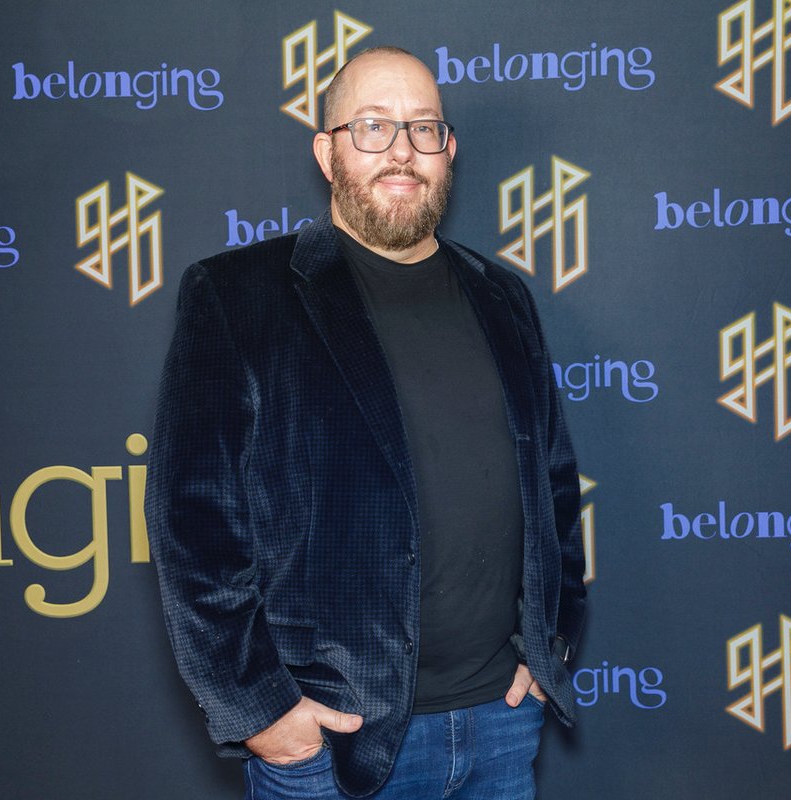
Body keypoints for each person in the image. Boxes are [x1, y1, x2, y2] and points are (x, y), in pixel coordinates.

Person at [146, 45, 585, 799]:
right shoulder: (238, 295)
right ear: (328, 152)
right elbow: (192, 524)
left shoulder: (503, 297)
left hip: (501, 727)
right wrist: (261, 709)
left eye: (423, 128)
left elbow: (554, 489)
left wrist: (548, 648)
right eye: (374, 126)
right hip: (335, 742)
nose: (402, 151)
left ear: (449, 151)